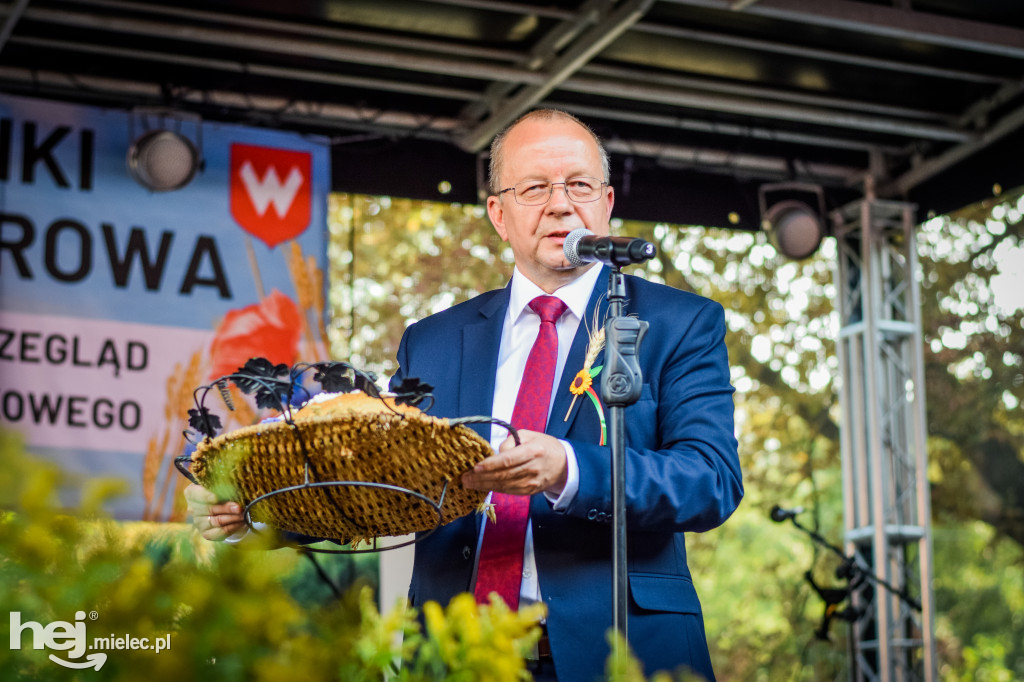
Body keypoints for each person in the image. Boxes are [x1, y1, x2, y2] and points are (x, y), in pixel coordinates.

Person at [186, 109, 743, 681]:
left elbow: (711, 480)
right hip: (456, 658)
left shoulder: (679, 322)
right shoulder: (431, 342)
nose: (559, 204)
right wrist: (255, 513)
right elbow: (388, 487)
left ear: (604, 203)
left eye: (578, 185)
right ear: (498, 215)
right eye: (534, 187)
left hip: (621, 653)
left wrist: (568, 469)